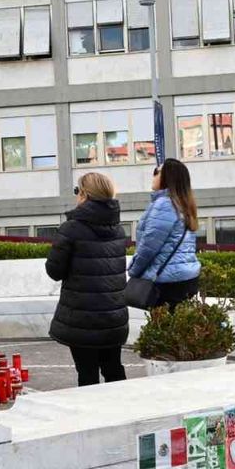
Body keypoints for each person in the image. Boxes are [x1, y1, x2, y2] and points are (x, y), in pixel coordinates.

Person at [46, 172, 129, 387]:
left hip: (83, 318)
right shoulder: (119, 229)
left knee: (87, 374)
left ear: (84, 194)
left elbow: (54, 270)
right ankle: (124, 406)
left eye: (78, 191)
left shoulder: (71, 229)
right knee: (114, 369)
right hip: (114, 316)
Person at [128, 158, 200, 309]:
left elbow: (149, 246)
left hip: (167, 282)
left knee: (163, 322)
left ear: (168, 177)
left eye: (156, 172)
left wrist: (134, 271)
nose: (153, 176)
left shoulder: (165, 204)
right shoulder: (183, 204)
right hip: (188, 277)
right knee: (180, 322)